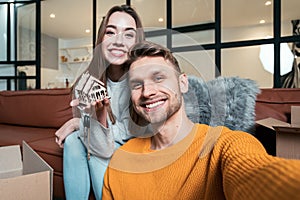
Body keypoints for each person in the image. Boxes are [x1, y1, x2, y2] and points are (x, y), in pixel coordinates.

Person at [102, 41, 300, 200]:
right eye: (137, 84)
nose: (148, 92)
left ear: (183, 83)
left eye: (159, 78)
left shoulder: (224, 144)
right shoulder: (122, 159)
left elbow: (258, 175)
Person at [55, 5, 145, 200]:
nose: (118, 41)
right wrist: (86, 121)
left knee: (97, 154)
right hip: (105, 142)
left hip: (135, 147)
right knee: (73, 141)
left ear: (137, 42)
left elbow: (130, 133)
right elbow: (89, 132)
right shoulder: (89, 80)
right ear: (101, 40)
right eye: (110, 32)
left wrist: (76, 123)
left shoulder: (141, 80)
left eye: (128, 35)